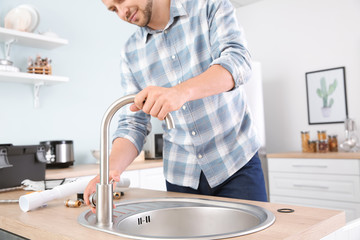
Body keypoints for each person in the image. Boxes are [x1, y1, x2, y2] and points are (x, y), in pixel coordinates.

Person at [84, 0, 267, 212]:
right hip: (181, 179)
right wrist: (108, 171)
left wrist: (181, 91)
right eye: (113, 10)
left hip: (236, 165)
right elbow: (133, 124)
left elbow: (238, 61)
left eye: (121, 1)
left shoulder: (208, 5)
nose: (122, 13)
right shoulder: (130, 53)